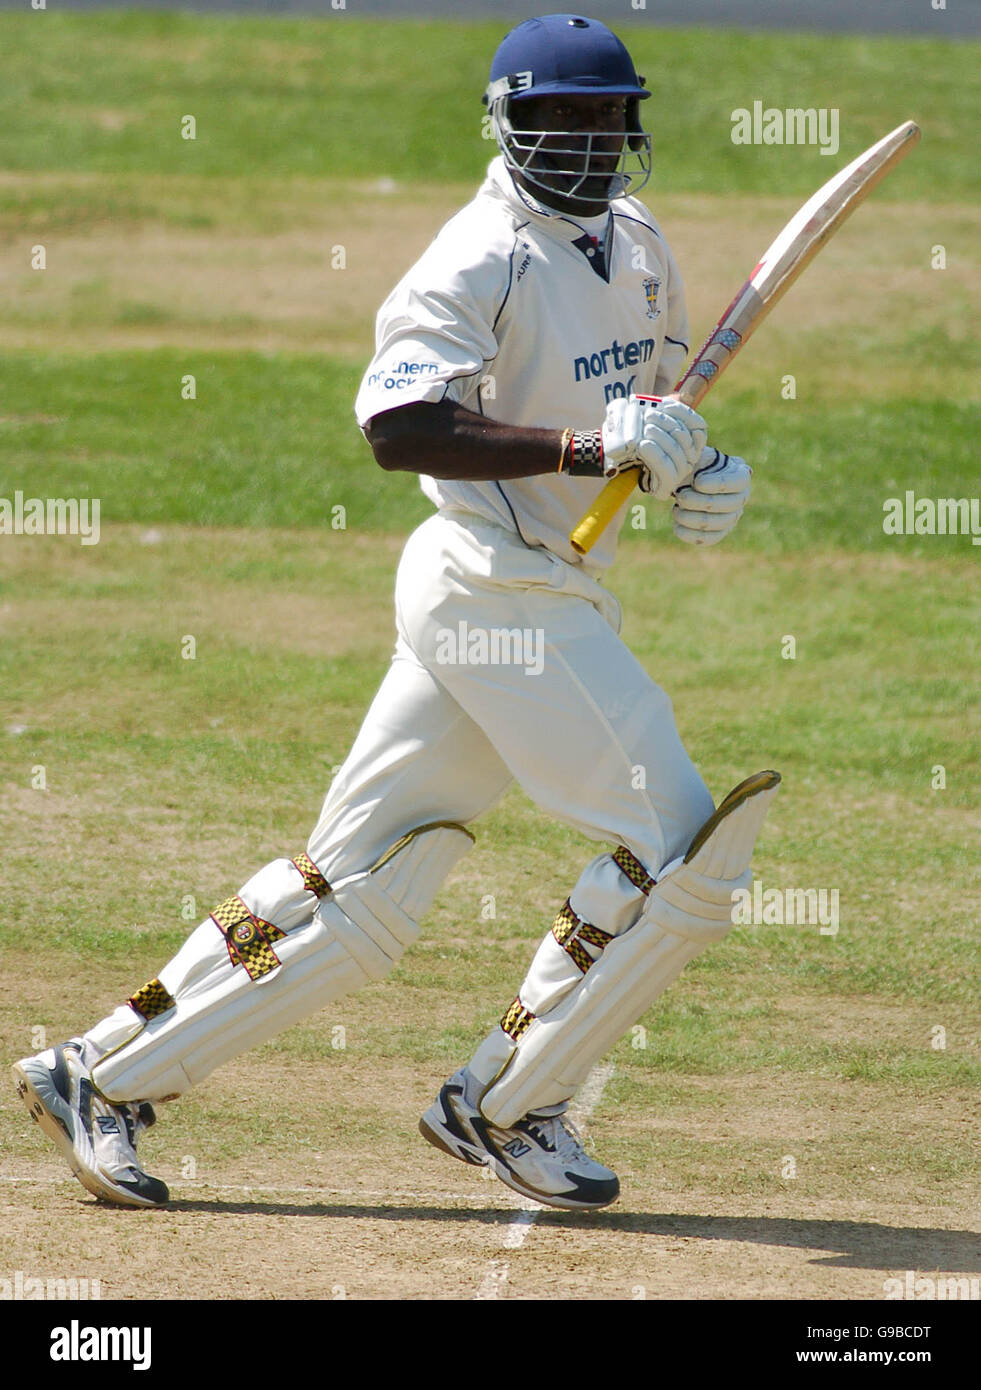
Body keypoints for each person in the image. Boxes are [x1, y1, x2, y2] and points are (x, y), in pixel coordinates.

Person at [13, 14, 778, 1214]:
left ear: (634, 128)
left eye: (605, 119)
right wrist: (592, 443)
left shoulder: (638, 242)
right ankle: (511, 1101)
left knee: (360, 890)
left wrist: (692, 466)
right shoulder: (477, 256)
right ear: (507, 124)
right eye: (557, 120)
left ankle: (97, 1069)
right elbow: (398, 426)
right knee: (686, 847)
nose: (584, 144)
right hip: (486, 579)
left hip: (541, 587)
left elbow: (648, 407)